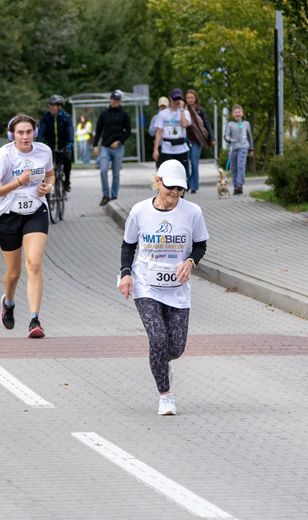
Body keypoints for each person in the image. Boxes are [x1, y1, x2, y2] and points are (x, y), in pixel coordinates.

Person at [118, 159, 209, 416]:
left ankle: (162, 363)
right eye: (170, 188)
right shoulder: (139, 211)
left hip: (177, 288)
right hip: (146, 284)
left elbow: (200, 244)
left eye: (180, 189)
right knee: (158, 338)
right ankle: (165, 395)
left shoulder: (193, 212)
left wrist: (191, 261)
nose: (174, 194)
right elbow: (128, 246)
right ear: (158, 182)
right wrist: (126, 274)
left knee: (176, 347)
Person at [0, 114, 55, 339]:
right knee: (14, 273)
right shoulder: (4, 156)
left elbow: (51, 174)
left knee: (34, 263)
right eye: (20, 132)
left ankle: (35, 319)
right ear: (12, 135)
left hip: (35, 210)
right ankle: (8, 302)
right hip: (7, 213)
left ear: (34, 132)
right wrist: (18, 182)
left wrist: (48, 187)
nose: (25, 136)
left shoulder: (44, 151)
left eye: (28, 132)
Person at [92, 89, 132, 206]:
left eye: (118, 100)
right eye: (114, 100)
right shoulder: (104, 114)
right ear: (110, 100)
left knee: (116, 174)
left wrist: (119, 142)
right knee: (103, 171)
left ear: (120, 101)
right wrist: (95, 145)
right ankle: (105, 195)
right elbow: (98, 130)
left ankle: (114, 196)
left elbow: (128, 131)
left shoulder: (124, 115)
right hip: (105, 147)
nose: (116, 102)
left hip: (118, 148)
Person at [38, 95, 74, 191]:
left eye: (54, 105)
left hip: (64, 146)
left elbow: (70, 131)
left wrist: (69, 144)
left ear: (60, 106)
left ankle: (67, 182)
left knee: (67, 161)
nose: (51, 107)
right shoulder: (45, 118)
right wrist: (39, 144)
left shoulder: (66, 117)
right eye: (50, 105)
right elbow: (41, 132)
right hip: (50, 147)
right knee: (46, 165)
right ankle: (45, 186)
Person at [152, 88, 191, 175]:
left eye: (179, 99)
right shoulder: (163, 114)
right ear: (170, 99)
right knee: (168, 175)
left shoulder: (185, 113)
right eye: (175, 99)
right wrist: (155, 150)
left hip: (181, 148)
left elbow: (184, 125)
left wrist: (181, 109)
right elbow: (159, 132)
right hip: (167, 149)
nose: (177, 101)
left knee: (183, 175)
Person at [185, 89, 215, 194]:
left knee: (194, 162)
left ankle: (194, 186)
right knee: (185, 163)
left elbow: (206, 124)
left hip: (197, 140)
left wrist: (212, 138)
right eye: (188, 98)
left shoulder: (200, 110)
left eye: (191, 97)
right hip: (185, 139)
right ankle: (186, 183)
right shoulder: (183, 110)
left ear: (195, 98)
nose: (190, 100)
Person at [224, 105, 254, 195]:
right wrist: (229, 139)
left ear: (242, 113)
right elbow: (226, 136)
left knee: (240, 165)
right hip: (234, 148)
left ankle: (239, 185)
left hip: (243, 147)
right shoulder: (230, 124)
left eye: (239, 112)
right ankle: (235, 185)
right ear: (232, 114)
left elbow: (249, 137)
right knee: (233, 168)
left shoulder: (246, 124)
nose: (237, 114)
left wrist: (251, 148)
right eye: (235, 112)